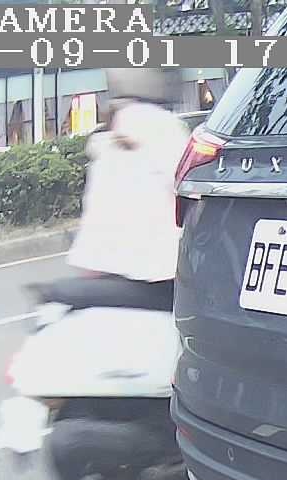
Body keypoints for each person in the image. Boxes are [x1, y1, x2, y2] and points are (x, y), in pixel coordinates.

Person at [49, 69, 191, 311]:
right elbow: (190, 192)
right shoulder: (167, 130)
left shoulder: (106, 139)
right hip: (158, 276)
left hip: (100, 275)